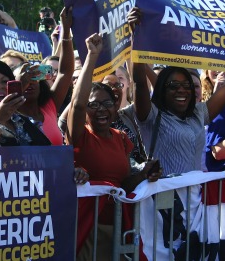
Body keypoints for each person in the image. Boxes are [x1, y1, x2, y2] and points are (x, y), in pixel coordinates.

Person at [127, 6, 225, 174]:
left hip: (194, 198)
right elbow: (139, 82)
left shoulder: (197, 113)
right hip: (164, 197)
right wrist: (136, 35)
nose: (182, 90)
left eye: (187, 86)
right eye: (174, 86)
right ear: (161, 90)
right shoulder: (151, 115)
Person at [67, 33, 160, 261]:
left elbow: (123, 182)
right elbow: (77, 106)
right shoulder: (80, 136)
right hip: (87, 227)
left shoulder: (120, 138)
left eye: (107, 103)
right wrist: (92, 55)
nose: (101, 109)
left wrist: (144, 173)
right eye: (94, 105)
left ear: (115, 107)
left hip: (118, 225)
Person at [13, 7, 74, 146]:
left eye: (34, 76)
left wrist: (65, 31)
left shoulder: (49, 107)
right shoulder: (7, 114)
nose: (30, 81)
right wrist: (20, 87)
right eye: (24, 77)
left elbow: (65, 72)